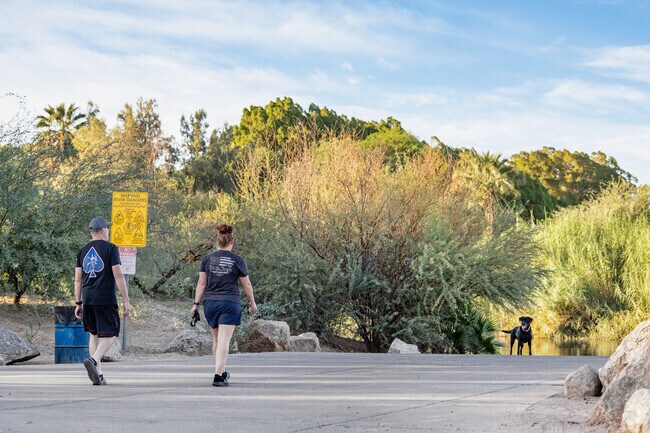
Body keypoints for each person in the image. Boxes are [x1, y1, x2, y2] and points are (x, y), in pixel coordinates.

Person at [191, 223, 257, 387]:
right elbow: (246, 285)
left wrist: (195, 304)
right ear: (231, 241)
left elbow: (201, 284)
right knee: (224, 340)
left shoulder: (207, 259)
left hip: (211, 303)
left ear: (218, 241)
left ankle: (221, 370)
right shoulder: (237, 260)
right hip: (229, 303)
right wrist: (253, 302)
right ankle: (218, 376)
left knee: (216, 339)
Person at [74, 216, 130, 385]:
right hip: (105, 297)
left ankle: (98, 375)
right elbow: (118, 275)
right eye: (108, 228)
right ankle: (94, 359)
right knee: (111, 333)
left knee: (94, 334)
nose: (109, 231)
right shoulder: (111, 248)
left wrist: (78, 302)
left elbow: (77, 279)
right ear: (103, 231)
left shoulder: (82, 251)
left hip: (88, 297)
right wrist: (126, 300)